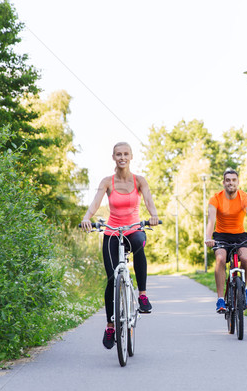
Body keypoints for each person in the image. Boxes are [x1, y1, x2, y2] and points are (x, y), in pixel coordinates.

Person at [81, 142, 159, 349]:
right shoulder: (107, 182)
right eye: (118, 154)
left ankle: (142, 295)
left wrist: (153, 216)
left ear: (131, 156)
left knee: (140, 244)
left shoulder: (140, 181)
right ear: (113, 157)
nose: (122, 157)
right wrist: (87, 217)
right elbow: (96, 202)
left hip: (134, 229)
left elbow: (149, 201)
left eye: (125, 154)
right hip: (112, 232)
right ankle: (110, 325)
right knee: (111, 279)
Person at [204, 167, 247, 313]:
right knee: (220, 258)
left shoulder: (245, 197)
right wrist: (208, 237)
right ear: (223, 183)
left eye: (233, 180)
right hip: (221, 235)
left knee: (245, 258)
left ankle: (243, 289)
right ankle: (220, 299)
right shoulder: (215, 198)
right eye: (228, 180)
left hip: (239, 235)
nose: (230, 183)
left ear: (237, 182)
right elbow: (211, 220)